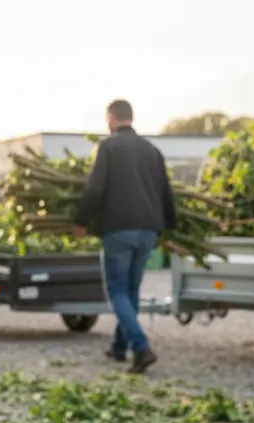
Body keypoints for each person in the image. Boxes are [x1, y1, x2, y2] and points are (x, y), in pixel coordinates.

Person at [72, 99, 176, 374]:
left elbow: (96, 188)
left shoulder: (108, 147)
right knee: (130, 291)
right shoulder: (152, 150)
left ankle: (141, 347)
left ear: (110, 117)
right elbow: (166, 193)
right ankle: (119, 348)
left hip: (119, 228)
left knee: (116, 290)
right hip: (148, 231)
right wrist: (164, 229)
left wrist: (81, 220)